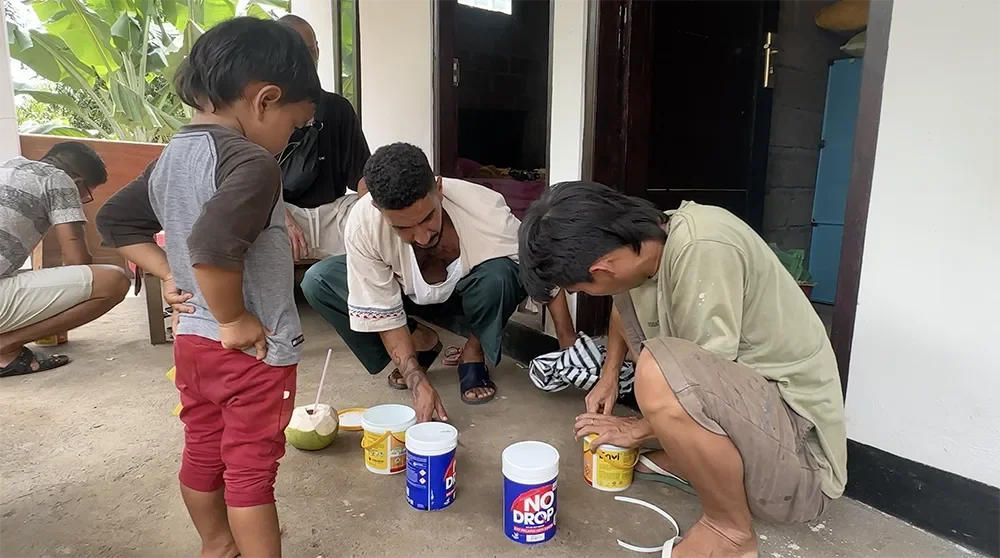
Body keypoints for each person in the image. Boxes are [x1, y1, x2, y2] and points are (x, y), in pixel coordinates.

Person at [518, 181, 847, 558]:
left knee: (658, 371)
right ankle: (689, 458)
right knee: (656, 364)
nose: (586, 295)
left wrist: (636, 430)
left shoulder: (702, 247)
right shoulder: (646, 249)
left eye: (579, 288)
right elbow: (621, 305)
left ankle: (730, 535)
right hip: (760, 427)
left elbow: (686, 386)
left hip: (802, 469)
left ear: (602, 267)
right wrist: (608, 377)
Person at [96, 17, 320, 558]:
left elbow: (115, 224)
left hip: (192, 344)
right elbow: (215, 245)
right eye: (296, 124)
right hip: (250, 348)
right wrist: (233, 318)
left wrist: (172, 274)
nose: (292, 138)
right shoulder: (253, 161)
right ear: (265, 100)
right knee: (250, 470)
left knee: (202, 447)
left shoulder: (174, 154)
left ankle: (218, 545)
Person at [301, 142, 576, 423]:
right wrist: (415, 380)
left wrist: (568, 343)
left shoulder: (485, 210)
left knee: (502, 276)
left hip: (466, 300)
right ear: (377, 208)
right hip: (405, 299)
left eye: (428, 218)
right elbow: (378, 304)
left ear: (439, 190)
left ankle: (473, 351)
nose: (421, 237)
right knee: (318, 280)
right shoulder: (364, 224)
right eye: (402, 228)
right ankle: (421, 340)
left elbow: (542, 270)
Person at [0, 142, 130, 378]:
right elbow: (77, 260)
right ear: (77, 181)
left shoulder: (8, 167)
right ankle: (5, 347)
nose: (83, 200)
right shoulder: (58, 180)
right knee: (113, 280)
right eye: (86, 194)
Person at [277, 14, 371, 261]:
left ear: (317, 50)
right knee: (256, 218)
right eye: (295, 53)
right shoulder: (265, 113)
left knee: (374, 214)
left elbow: (362, 177)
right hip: (283, 214)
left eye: (309, 50)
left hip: (333, 215)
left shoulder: (337, 108)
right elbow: (251, 186)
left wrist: (378, 214)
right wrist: (280, 217)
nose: (305, 60)